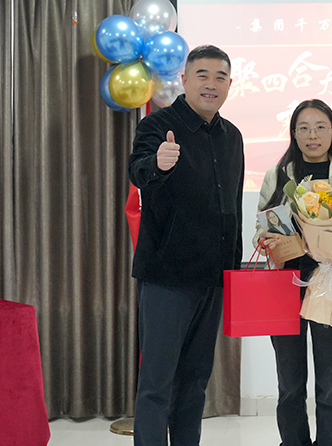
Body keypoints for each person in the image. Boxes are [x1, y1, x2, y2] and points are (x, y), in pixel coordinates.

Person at [128, 45, 243, 446]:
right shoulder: (159, 125)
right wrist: (157, 163)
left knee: (195, 382)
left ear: (229, 84)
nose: (211, 84)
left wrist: (233, 270)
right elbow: (138, 171)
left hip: (212, 279)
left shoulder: (232, 136)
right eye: (202, 75)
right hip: (167, 277)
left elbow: (232, 205)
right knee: (157, 382)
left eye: (220, 77)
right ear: (184, 79)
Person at [256, 98, 332, 446]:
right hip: (285, 287)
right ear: (294, 134)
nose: (312, 135)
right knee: (290, 385)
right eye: (304, 128)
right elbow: (260, 229)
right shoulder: (277, 176)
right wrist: (266, 241)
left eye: (320, 127)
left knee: (329, 386)